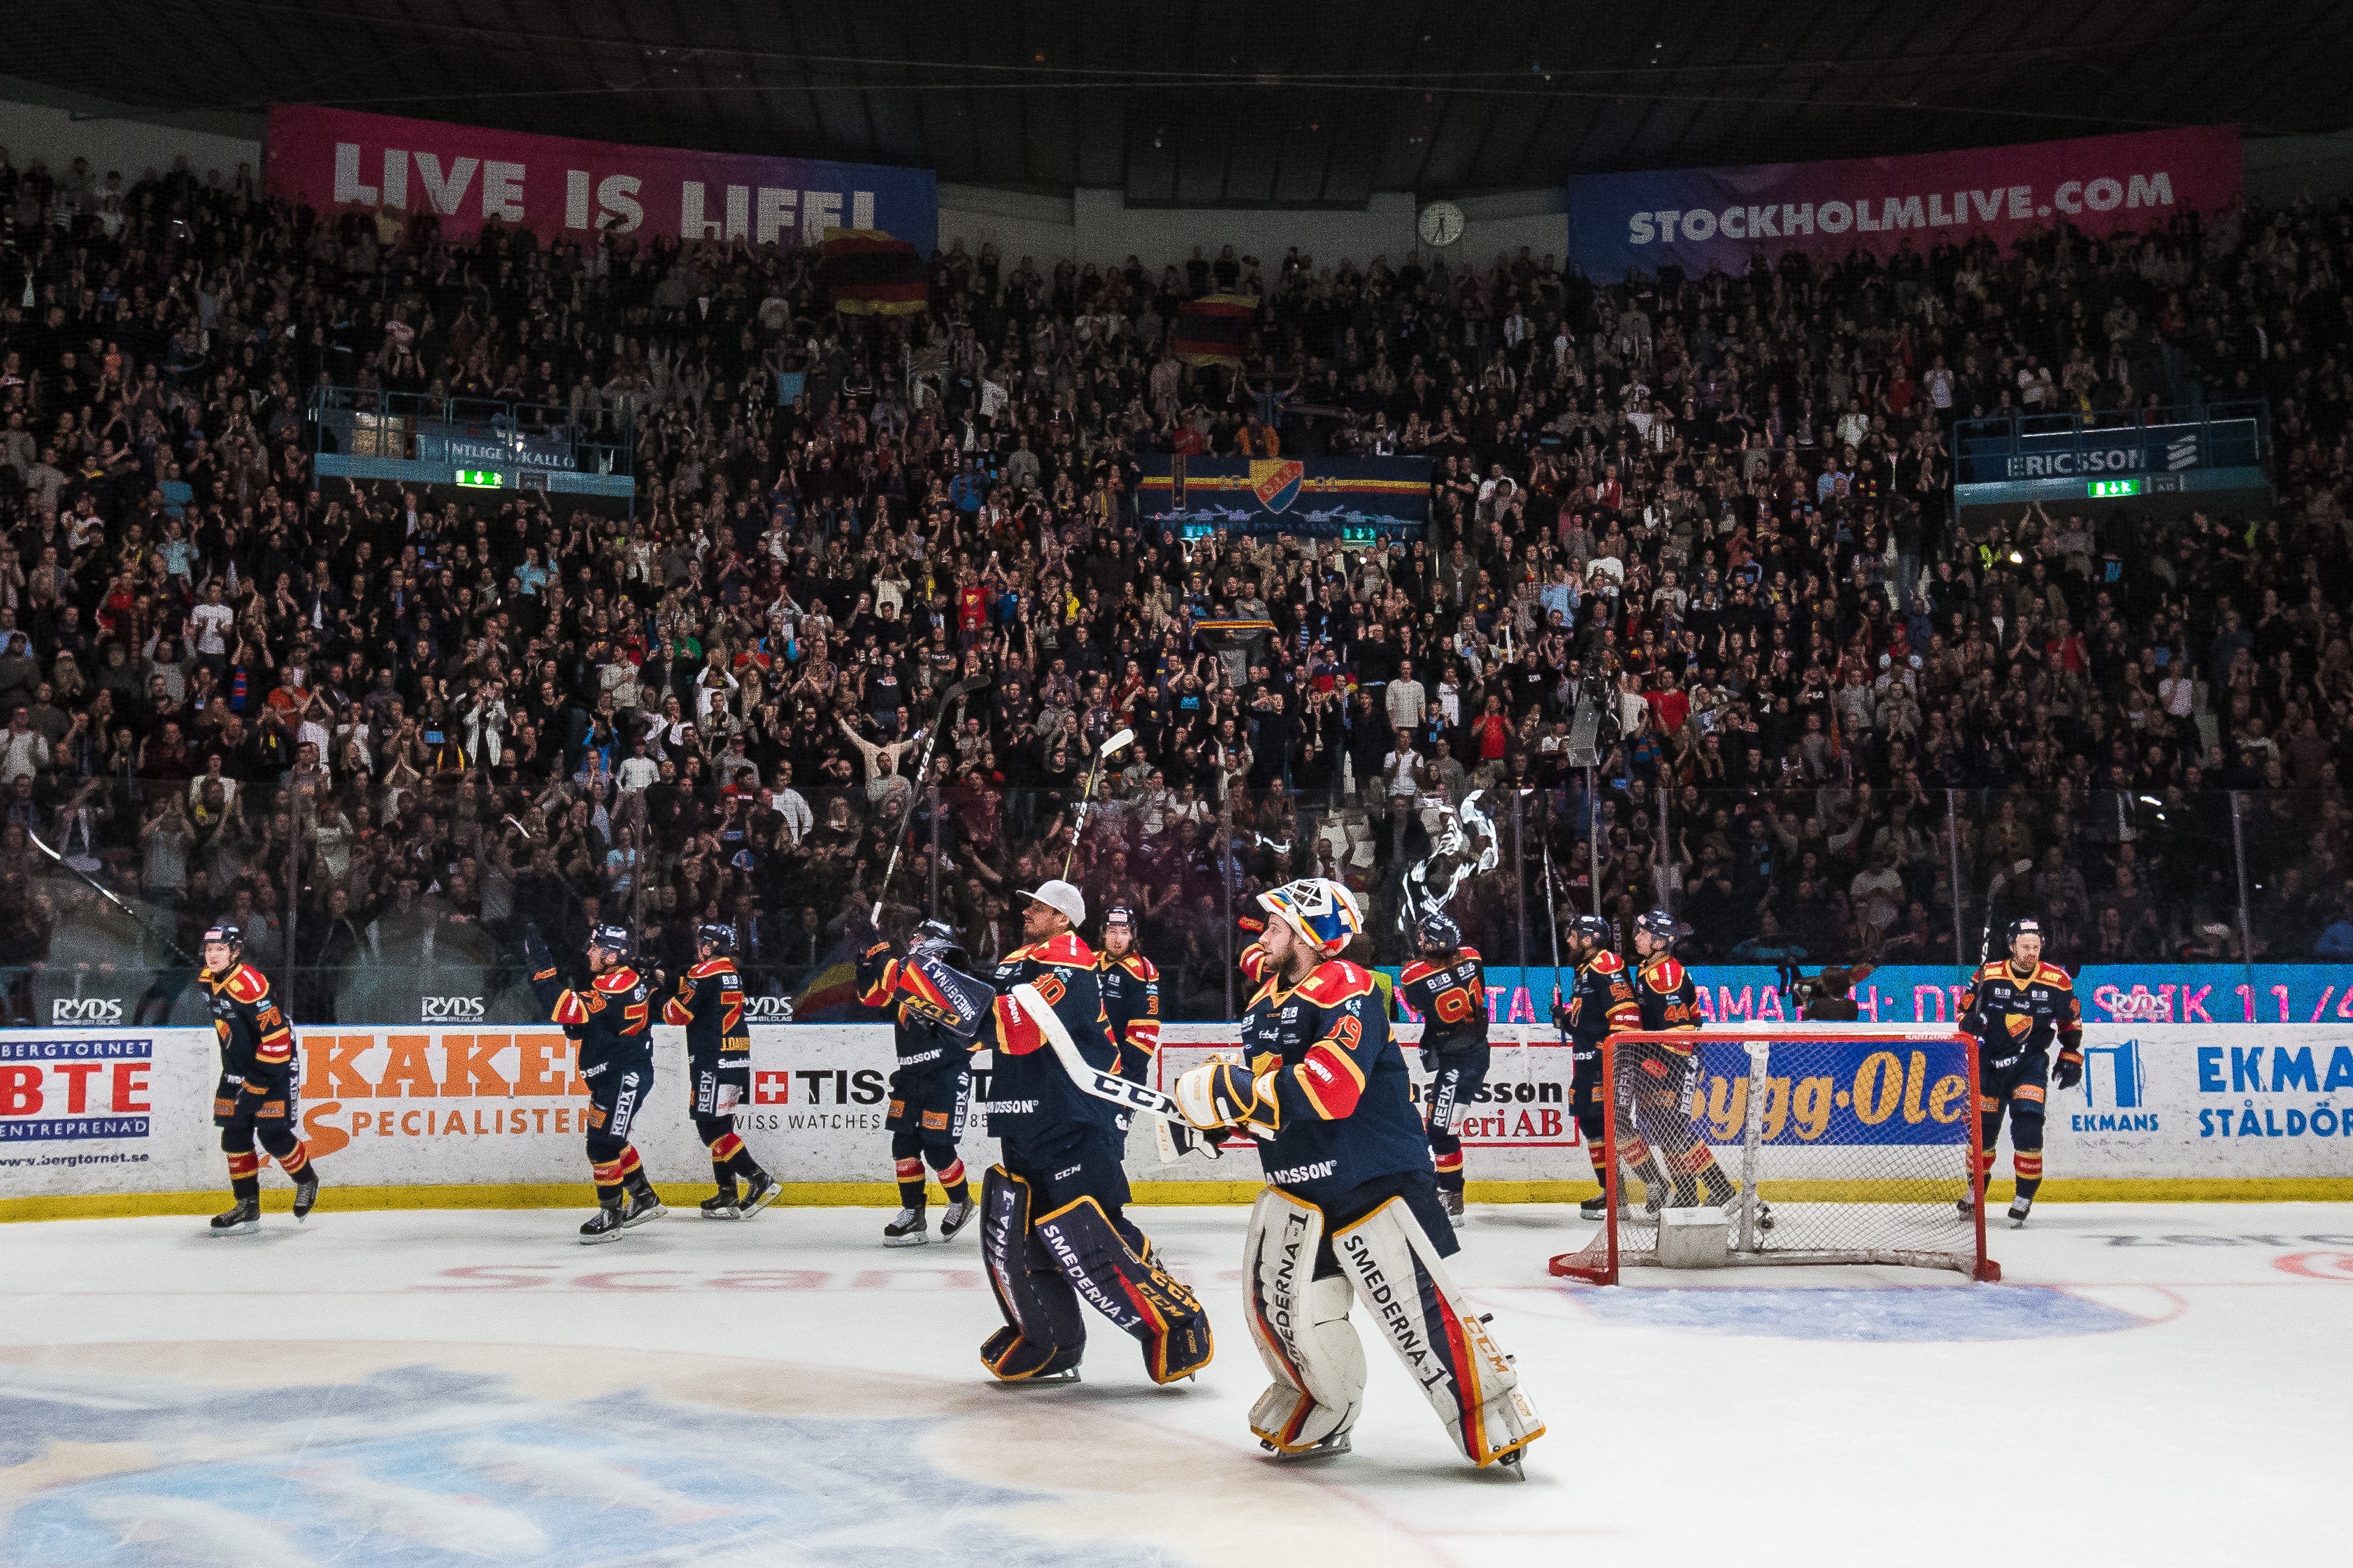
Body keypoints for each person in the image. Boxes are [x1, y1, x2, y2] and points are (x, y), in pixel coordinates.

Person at [1175, 878, 1543, 1470]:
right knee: (1292, 1312)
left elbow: (1332, 1088)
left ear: (1310, 934)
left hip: (1374, 1177)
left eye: (1275, 926)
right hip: (1302, 1183)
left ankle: (1490, 1411)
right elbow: (1274, 1100)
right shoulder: (1263, 1002)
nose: (1262, 936)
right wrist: (1222, 1119)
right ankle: (1325, 1408)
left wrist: (1238, 1090)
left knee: (1414, 1313)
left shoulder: (1349, 986)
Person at [975, 879, 1210, 1385]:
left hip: (1075, 1117)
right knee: (1022, 1235)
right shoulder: (1017, 960)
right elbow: (983, 1031)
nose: (1028, 912)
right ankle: (1051, 1340)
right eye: (1029, 905)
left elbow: (1014, 1029)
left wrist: (943, 993)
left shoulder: (1074, 963)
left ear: (1064, 918)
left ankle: (1179, 1324)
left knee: (1094, 1232)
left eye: (1039, 907)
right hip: (1021, 1115)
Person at [856, 917, 992, 1246]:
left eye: (919, 936)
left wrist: (879, 946)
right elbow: (872, 997)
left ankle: (961, 1200)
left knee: (937, 1147)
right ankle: (913, 1215)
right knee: (902, 1145)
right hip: (910, 1075)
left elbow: (896, 977)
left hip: (946, 1072)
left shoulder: (947, 972)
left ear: (936, 943)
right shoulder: (909, 971)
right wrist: (864, 960)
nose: (913, 940)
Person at [526, 921, 664, 1243]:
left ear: (614, 954)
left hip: (624, 1076)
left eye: (596, 946)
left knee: (602, 1144)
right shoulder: (620, 979)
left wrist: (543, 970)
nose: (589, 951)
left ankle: (611, 1213)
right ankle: (643, 1197)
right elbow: (597, 1019)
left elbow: (562, 1008)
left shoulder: (616, 985)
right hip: (616, 1074)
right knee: (612, 1139)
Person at [1959, 917, 2083, 1228]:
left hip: (2029, 1064)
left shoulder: (2057, 980)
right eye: (2025, 946)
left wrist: (2071, 1055)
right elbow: (1965, 1008)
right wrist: (1968, 1021)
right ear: (2012, 946)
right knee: (1983, 1133)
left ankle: (2024, 1196)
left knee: (2028, 1129)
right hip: (1990, 1062)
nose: (2032, 952)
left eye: (2036, 946)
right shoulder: (1989, 974)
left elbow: (2071, 1022)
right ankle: (1977, 1191)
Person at [1626, 908, 1749, 1216]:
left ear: (1659, 941)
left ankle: (1720, 1187)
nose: (1636, 936)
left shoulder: (1664, 974)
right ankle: (1685, 1192)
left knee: (1675, 1130)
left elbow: (1680, 1030)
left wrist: (1663, 1063)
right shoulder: (1649, 966)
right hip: (1657, 1056)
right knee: (1662, 1127)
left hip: (1675, 1059)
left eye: (1643, 933)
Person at [199, 923, 320, 1235]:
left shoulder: (250, 985)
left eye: (221, 949)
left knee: (272, 1135)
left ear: (236, 952)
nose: (212, 956)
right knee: (234, 1135)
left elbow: (277, 1038)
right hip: (236, 1070)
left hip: (273, 1067)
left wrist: (258, 1085)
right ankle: (247, 1205)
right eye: (209, 949)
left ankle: (307, 1180)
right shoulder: (211, 979)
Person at [663, 921, 779, 1221]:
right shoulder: (732, 974)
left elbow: (676, 1015)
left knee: (710, 1128)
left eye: (703, 941)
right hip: (736, 1057)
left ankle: (758, 1178)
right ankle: (728, 1194)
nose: (698, 946)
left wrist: (665, 990)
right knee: (722, 1127)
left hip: (712, 1061)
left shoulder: (703, 972)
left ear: (712, 946)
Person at [1395, 910, 1488, 1217]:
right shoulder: (1473, 957)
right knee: (1439, 1126)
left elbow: (1414, 1004)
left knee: (1439, 1129)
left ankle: (1450, 1194)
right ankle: (1450, 1190)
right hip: (1472, 1050)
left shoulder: (1414, 974)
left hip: (1459, 1058)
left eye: (1424, 937)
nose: (1420, 941)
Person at [1552, 912, 1640, 1221]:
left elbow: (1626, 1015)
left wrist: (1613, 1052)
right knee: (1591, 1124)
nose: (1569, 939)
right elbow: (1589, 1019)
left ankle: (1650, 1186)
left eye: (1574, 934)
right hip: (1586, 1060)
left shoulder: (1608, 964)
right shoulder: (1586, 968)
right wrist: (1566, 1018)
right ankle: (1611, 1192)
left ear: (1589, 939)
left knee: (1610, 1124)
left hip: (1605, 1059)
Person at [1095, 905, 1161, 1084]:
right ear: (1103, 933)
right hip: (1089, 1067)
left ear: (1132, 935)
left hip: (1122, 1075)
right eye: (1112, 931)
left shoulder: (1141, 970)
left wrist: (1123, 1074)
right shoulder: (1089, 963)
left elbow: (1145, 1031)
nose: (1118, 939)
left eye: (1124, 932)